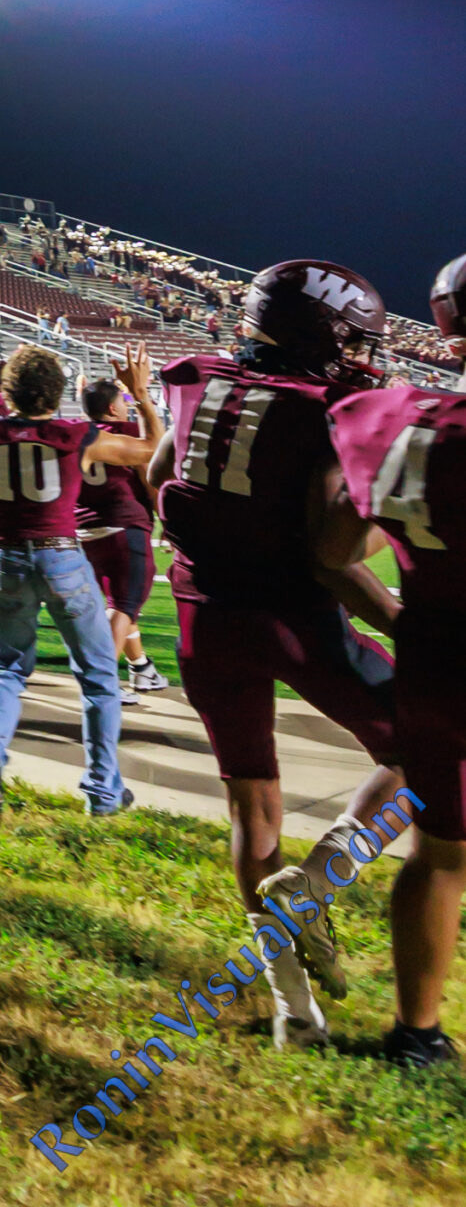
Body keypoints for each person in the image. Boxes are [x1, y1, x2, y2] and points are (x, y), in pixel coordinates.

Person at [148, 259, 410, 1052]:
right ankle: (326, 870)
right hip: (293, 615)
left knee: (251, 802)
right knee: (426, 749)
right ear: (325, 339)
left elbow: (163, 478)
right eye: (355, 343)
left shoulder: (197, 379)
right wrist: (409, 625)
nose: (364, 358)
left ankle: (294, 1010)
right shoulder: (329, 406)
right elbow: (334, 556)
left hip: (203, 613)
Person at [317, 251, 466, 1071]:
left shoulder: (405, 423)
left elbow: (337, 547)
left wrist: (408, 614)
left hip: (438, 653)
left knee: (440, 850)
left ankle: (418, 1033)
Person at [0, 344, 160, 823]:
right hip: (61, 555)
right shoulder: (75, 433)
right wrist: (141, 396)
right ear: (56, 392)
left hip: (6, 556)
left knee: (7, 668)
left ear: (8, 391)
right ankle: (102, 790)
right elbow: (152, 449)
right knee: (98, 676)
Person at [78, 376, 169, 695]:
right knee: (123, 607)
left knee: (120, 605)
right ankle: (101, 684)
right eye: (123, 403)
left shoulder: (81, 435)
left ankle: (141, 667)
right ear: (113, 408)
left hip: (86, 533)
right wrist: (167, 524)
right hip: (122, 526)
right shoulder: (128, 433)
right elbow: (151, 477)